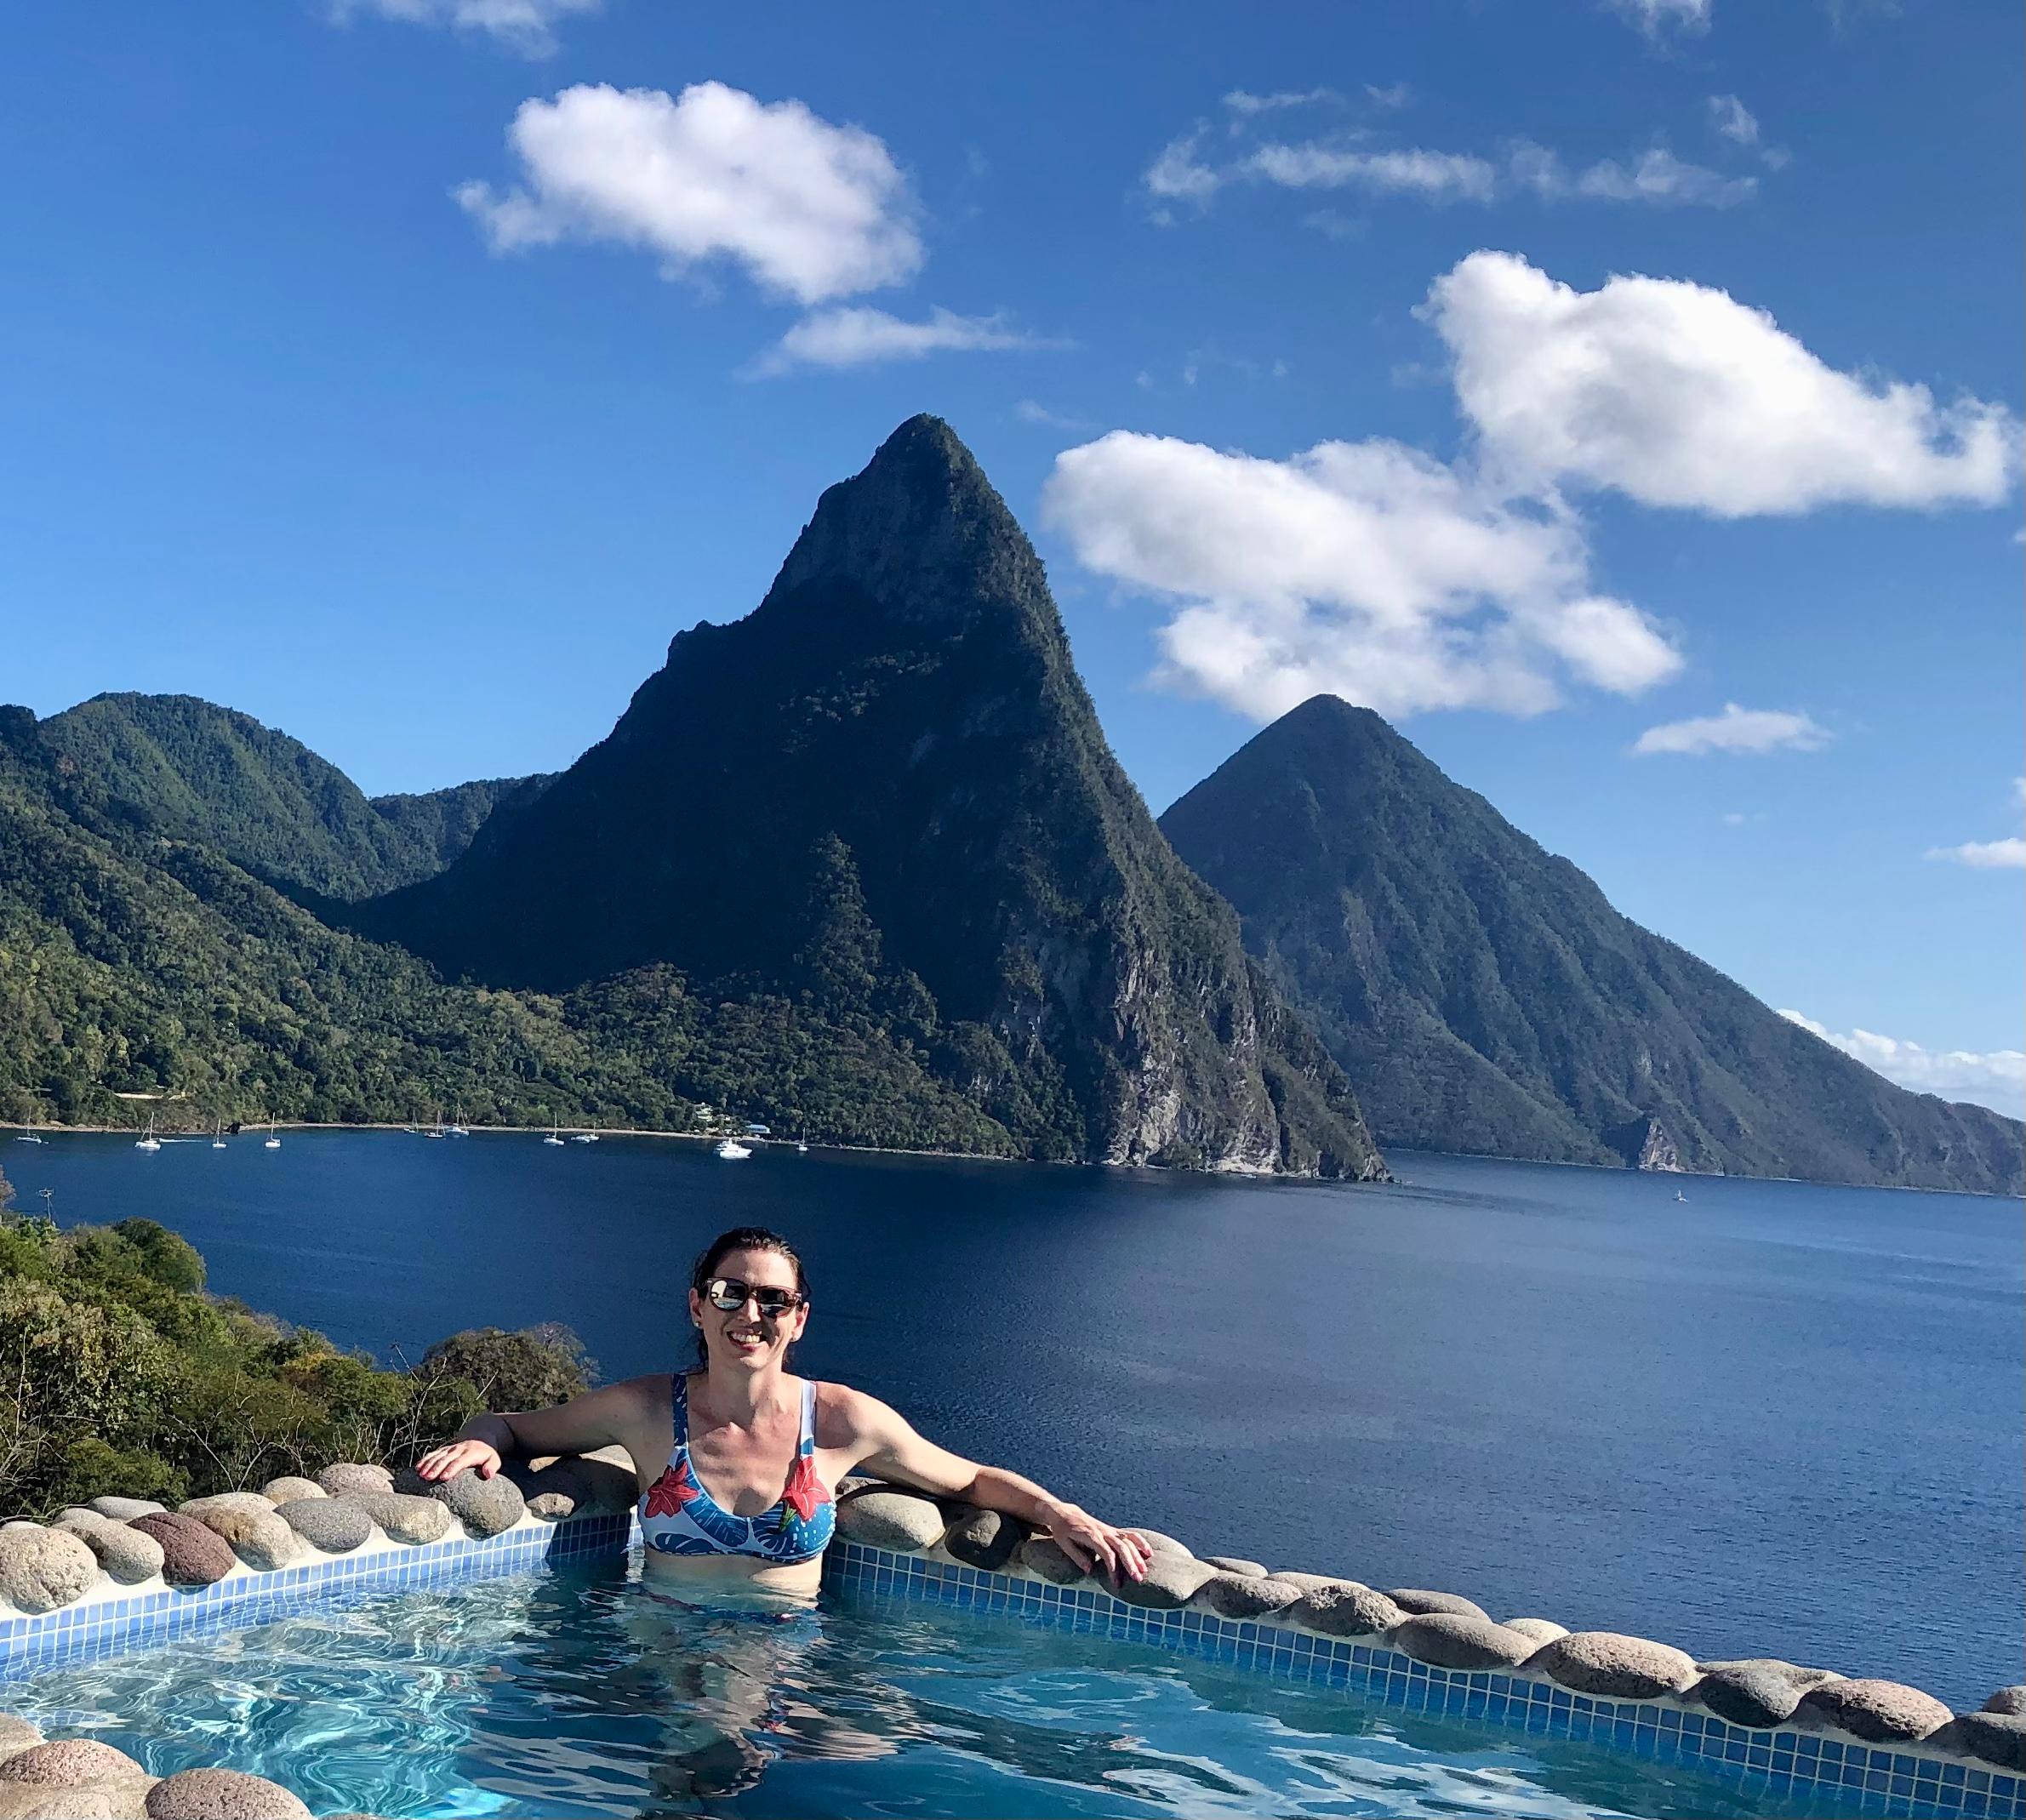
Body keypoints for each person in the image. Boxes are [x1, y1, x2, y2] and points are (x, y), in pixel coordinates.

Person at [416, 1224, 1153, 1600]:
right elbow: (511, 1425)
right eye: (731, 1292)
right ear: (698, 1305)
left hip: (791, 1656)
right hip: (661, 1645)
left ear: (797, 1320)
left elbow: (966, 1481)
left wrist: (1063, 1514)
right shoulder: (644, 1410)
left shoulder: (840, 1420)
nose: (751, 1313)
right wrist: (474, 1445)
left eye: (774, 1300)